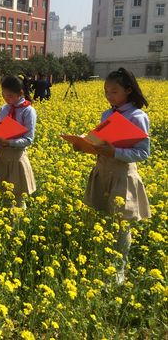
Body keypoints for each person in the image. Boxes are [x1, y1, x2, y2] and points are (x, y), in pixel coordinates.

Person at [81, 68, 150, 285]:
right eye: (106, 91)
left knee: (122, 225)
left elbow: (143, 152)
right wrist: (85, 145)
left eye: (113, 91)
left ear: (128, 91)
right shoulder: (107, 114)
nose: (109, 96)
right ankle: (104, 261)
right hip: (103, 170)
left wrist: (115, 152)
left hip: (122, 174)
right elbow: (101, 141)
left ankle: (119, 271)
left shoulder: (138, 116)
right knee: (103, 219)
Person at [0, 75, 37, 208]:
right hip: (2, 155)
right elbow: (1, 129)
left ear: (20, 93)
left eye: (10, 96)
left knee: (18, 197)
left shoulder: (28, 111)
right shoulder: (4, 109)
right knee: (3, 195)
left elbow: (28, 139)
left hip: (17, 157)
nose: (6, 99)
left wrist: (9, 143)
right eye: (4, 95)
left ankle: (17, 227)